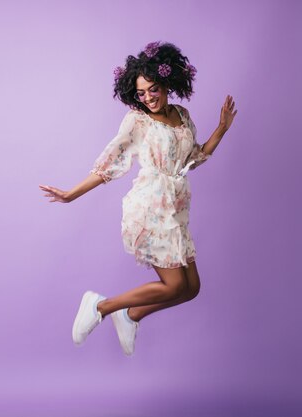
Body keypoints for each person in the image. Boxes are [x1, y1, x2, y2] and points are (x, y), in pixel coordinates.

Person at [39, 41, 237, 356]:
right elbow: (110, 164)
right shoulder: (138, 120)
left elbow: (193, 159)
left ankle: (130, 315)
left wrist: (221, 129)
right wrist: (70, 195)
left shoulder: (182, 116)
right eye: (141, 93)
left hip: (176, 209)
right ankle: (101, 306)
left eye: (153, 89)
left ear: (167, 83)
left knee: (191, 289)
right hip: (150, 206)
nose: (147, 97)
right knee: (173, 286)